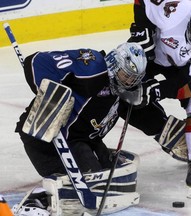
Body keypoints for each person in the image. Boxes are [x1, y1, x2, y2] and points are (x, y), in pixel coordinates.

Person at [13, 42, 147, 215]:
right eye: (126, 76)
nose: (129, 83)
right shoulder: (94, 67)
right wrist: (52, 97)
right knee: (86, 183)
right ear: (114, 63)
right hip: (44, 137)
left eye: (134, 79)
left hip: (79, 138)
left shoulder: (121, 89)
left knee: (105, 176)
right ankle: (38, 199)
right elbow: (36, 61)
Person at [123, 1, 191, 198]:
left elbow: (189, 86)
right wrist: (142, 29)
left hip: (184, 70)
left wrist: (156, 91)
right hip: (154, 53)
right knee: (121, 80)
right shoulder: (177, 8)